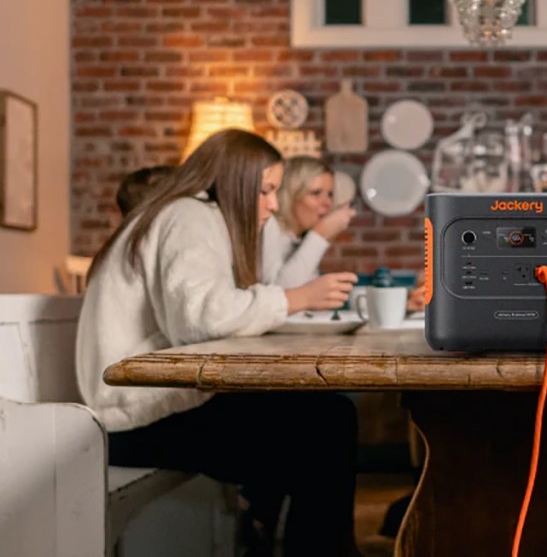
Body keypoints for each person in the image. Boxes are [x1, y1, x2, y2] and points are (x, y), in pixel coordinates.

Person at [77, 129, 363, 556]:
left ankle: (284, 536)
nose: (272, 203)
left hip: (142, 407)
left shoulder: (183, 213)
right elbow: (200, 320)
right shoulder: (189, 215)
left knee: (320, 419)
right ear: (232, 181)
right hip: (132, 418)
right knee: (327, 424)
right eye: (265, 190)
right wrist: (295, 298)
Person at [262, 155, 357, 288]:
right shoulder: (269, 225)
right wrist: (319, 235)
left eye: (330, 194)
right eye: (316, 193)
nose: (328, 203)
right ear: (291, 195)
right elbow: (280, 293)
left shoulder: (299, 237)